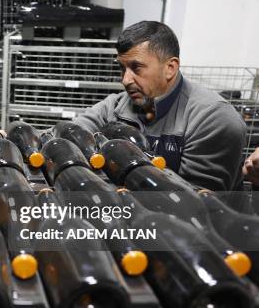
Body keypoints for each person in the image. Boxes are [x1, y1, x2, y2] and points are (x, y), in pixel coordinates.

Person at [73, 21, 246, 191]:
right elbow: (71, 133)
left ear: (170, 68)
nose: (125, 80)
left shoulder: (212, 118)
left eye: (137, 68)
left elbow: (198, 203)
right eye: (122, 68)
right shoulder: (115, 107)